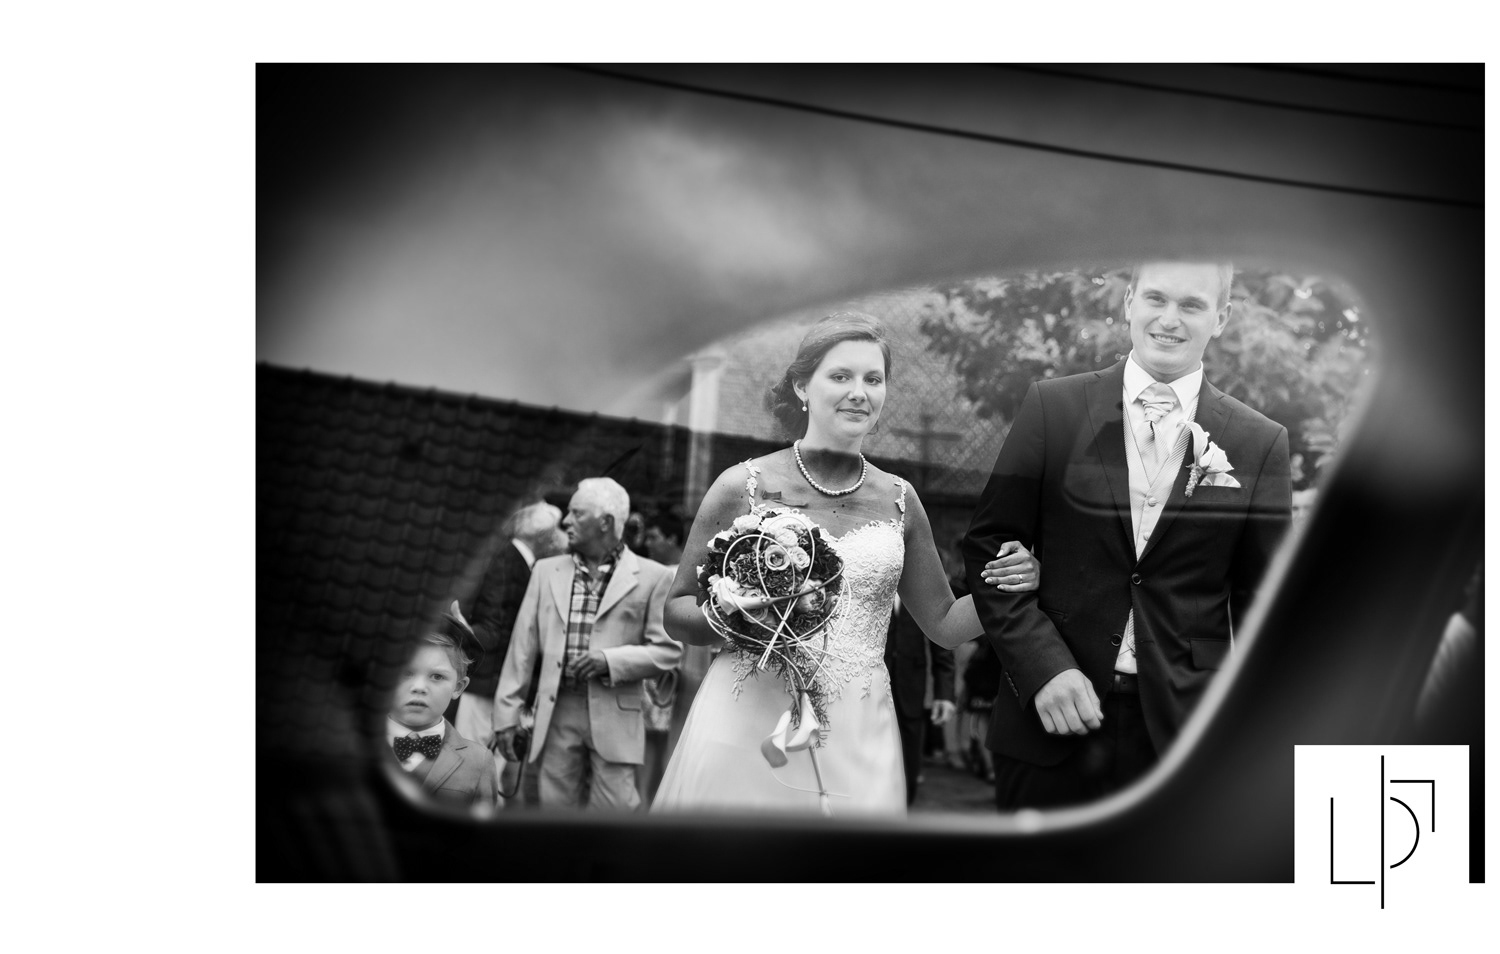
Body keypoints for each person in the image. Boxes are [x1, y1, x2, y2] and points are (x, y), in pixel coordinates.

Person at [652, 313, 1039, 815]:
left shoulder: (900, 499)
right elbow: (677, 610)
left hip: (857, 729)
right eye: (841, 376)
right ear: (802, 386)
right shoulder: (741, 485)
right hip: (746, 719)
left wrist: (1013, 582)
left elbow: (944, 625)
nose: (859, 392)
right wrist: (742, 615)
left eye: (873, 379)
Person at [964, 261, 1292, 810]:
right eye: (1156, 298)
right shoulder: (1053, 407)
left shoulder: (1260, 442)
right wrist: (1043, 668)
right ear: (1129, 302)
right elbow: (987, 546)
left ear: (1221, 318)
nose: (1169, 319)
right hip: (1052, 716)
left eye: (1191, 305)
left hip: (1184, 732)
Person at [492, 478, 681, 810]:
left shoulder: (654, 576)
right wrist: (506, 716)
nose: (566, 521)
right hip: (557, 710)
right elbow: (521, 649)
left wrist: (610, 661)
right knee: (556, 812)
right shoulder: (545, 571)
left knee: (614, 816)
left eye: (576, 513)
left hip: (617, 713)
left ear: (605, 522)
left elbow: (668, 652)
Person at [458, 501, 566, 803]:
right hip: (488, 684)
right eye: (554, 531)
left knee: (487, 764)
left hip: (496, 685)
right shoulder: (508, 562)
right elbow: (494, 628)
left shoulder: (518, 562)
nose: (559, 537)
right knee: (475, 762)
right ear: (542, 536)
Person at [387, 621, 496, 808]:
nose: (419, 687)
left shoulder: (478, 762)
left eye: (437, 676)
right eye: (406, 673)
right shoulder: (351, 745)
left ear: (458, 687)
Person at [883, 595, 956, 806]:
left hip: (912, 683)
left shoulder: (920, 581)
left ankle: (905, 808)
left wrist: (945, 693)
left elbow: (941, 634)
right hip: (869, 682)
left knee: (909, 757)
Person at [637, 512, 687, 805]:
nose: (648, 543)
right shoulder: (653, 572)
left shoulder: (676, 574)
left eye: (654, 536)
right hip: (658, 668)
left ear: (672, 538)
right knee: (651, 742)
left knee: (664, 743)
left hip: (674, 671)